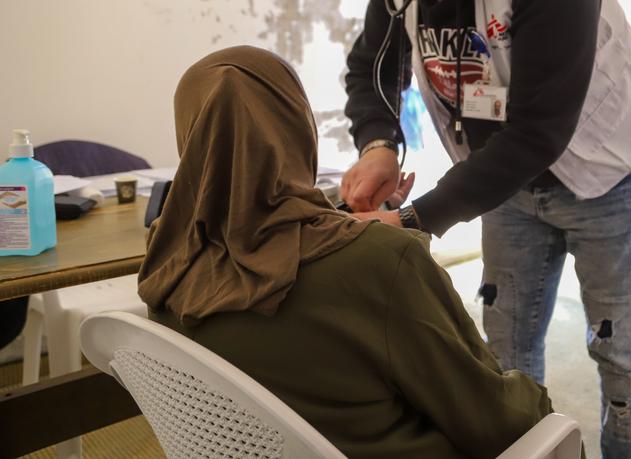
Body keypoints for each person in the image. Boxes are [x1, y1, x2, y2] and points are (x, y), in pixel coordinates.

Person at [340, 0, 631, 458]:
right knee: (503, 349)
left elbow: (538, 131)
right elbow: (372, 67)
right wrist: (378, 144)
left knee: (620, 352)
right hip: (506, 184)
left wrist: (417, 218)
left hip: (609, 176)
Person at [138, 46, 553, 459]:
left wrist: (348, 224)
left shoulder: (169, 264)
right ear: (297, 127)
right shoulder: (383, 263)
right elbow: (496, 422)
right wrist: (541, 407)